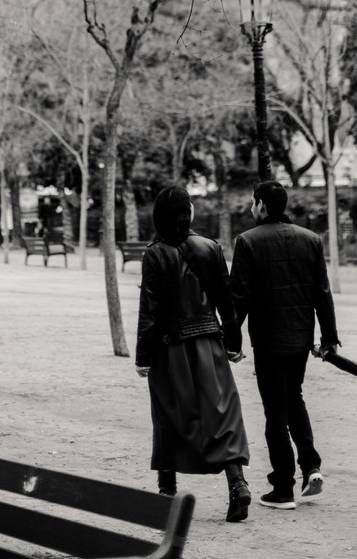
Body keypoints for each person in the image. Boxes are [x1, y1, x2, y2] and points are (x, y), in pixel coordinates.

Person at [135, 184, 252, 523]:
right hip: (210, 345)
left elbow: (149, 309)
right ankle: (237, 485)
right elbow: (226, 302)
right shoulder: (210, 247)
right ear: (187, 212)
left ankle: (166, 493)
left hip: (170, 348)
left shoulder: (155, 253)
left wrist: (143, 357)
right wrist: (233, 343)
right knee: (223, 414)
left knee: (169, 414)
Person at [230, 180, 340, 511]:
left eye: (253, 202)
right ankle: (311, 467)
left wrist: (231, 341)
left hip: (268, 340)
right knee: (295, 399)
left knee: (275, 412)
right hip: (300, 338)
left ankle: (282, 488)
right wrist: (329, 339)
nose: (251, 207)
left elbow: (239, 298)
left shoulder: (247, 241)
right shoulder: (310, 239)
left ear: (262, 205)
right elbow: (322, 293)